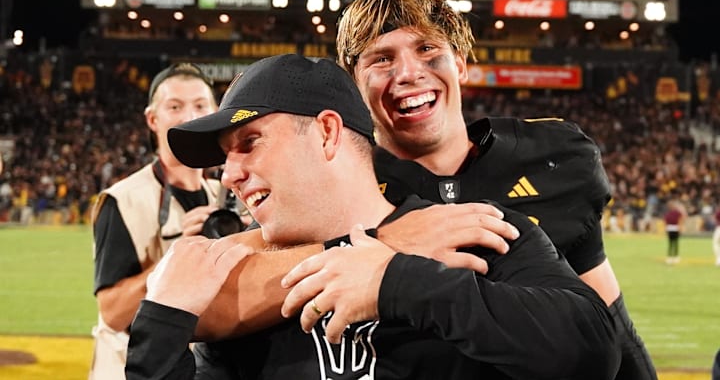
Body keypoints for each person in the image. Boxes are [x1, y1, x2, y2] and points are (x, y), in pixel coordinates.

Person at [126, 53, 619, 380]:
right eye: (226, 156)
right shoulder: (241, 281)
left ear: (326, 133)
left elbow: (594, 352)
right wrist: (162, 325)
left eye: (249, 143)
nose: (229, 174)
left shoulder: (474, 232)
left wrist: (396, 282)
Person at [333, 0, 655, 380]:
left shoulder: (556, 162)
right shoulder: (334, 181)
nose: (408, 73)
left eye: (427, 49)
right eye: (381, 59)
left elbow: (607, 318)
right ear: (353, 82)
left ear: (461, 63)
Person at [89, 63, 224, 380]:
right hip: (133, 369)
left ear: (215, 112)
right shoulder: (123, 200)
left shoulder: (228, 195)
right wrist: (174, 259)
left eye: (200, 105)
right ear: (153, 119)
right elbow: (111, 313)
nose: (189, 116)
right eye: (175, 106)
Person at [663, 200, 686, 265]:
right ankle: (673, 257)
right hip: (673, 228)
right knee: (673, 243)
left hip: (672, 228)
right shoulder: (674, 213)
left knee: (672, 243)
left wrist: (680, 227)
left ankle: (672, 257)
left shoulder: (670, 213)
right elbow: (681, 220)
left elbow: (665, 222)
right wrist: (680, 227)